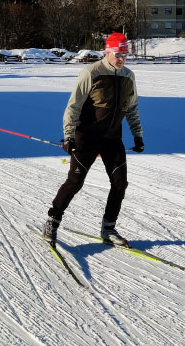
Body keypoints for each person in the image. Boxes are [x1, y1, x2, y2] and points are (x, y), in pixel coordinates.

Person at [43, 32, 144, 247]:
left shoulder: (128, 76)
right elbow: (73, 106)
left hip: (112, 139)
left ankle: (108, 229)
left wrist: (137, 134)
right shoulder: (91, 72)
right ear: (107, 52)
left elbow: (132, 108)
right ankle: (52, 221)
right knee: (75, 182)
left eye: (125, 55)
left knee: (120, 184)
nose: (122, 59)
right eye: (118, 54)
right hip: (86, 137)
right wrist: (69, 136)